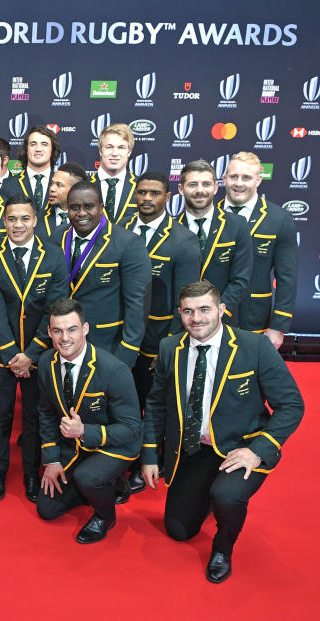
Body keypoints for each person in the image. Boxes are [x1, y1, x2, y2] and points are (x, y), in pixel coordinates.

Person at [141, 280, 303, 583]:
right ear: (180, 313)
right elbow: (156, 405)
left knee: (227, 496)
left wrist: (258, 451)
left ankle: (223, 547)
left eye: (204, 309)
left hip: (240, 448)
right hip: (193, 447)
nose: (196, 318)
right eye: (188, 311)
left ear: (222, 310)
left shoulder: (254, 347)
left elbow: (292, 404)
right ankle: (207, 498)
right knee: (178, 530)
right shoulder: (169, 348)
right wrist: (150, 454)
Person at [0, 195, 69, 501]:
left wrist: (30, 354)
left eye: (25, 218)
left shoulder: (54, 257)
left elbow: (54, 310)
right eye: (12, 219)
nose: (18, 225)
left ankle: (31, 473)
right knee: (0, 415)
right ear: (4, 222)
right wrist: (11, 355)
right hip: (0, 354)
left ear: (36, 220)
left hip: (40, 355)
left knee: (33, 418)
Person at [120, 171, 200, 494]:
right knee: (128, 401)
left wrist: (169, 346)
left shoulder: (183, 240)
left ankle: (152, 459)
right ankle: (128, 454)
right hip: (125, 337)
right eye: (142, 192)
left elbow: (186, 301)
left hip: (159, 340)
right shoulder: (121, 230)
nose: (147, 199)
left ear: (168, 196)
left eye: (155, 193)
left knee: (156, 403)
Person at [36, 299, 141, 543]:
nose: (65, 338)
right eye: (58, 331)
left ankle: (105, 516)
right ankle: (108, 483)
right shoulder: (45, 363)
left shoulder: (114, 369)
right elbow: (46, 413)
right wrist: (51, 460)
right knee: (47, 509)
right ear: (49, 332)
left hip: (114, 445)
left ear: (85, 329)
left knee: (87, 478)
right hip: (74, 447)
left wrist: (84, 431)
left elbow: (133, 429)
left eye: (72, 329)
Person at [61, 181, 151, 369]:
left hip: (107, 346)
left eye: (89, 206)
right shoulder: (56, 237)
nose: (81, 213)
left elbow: (137, 305)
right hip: (62, 343)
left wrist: (126, 355)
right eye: (74, 207)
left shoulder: (128, 243)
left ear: (101, 207)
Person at [220, 152, 298, 348]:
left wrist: (278, 326)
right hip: (211, 317)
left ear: (258, 180)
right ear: (224, 178)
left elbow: (287, 277)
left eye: (246, 177)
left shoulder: (279, 219)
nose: (239, 183)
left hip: (255, 319)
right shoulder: (208, 215)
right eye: (233, 176)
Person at [176, 159, 253, 323]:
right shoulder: (170, 229)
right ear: (181, 188)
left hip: (222, 321)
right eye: (192, 185)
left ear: (216, 187)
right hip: (179, 323)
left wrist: (215, 314)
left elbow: (239, 280)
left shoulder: (237, 226)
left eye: (206, 184)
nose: (200, 190)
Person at [90, 124, 137, 227]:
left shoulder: (140, 187)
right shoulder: (85, 184)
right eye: (109, 147)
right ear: (100, 151)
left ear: (129, 152)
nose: (115, 153)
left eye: (121, 147)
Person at [36, 162, 88, 245]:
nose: (52, 189)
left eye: (59, 185)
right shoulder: (38, 219)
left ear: (76, 189)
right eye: (52, 184)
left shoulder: (91, 220)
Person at [15, 126, 61, 215]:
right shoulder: (7, 185)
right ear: (26, 149)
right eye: (33, 144)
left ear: (52, 149)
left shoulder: (64, 185)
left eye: (44, 144)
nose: (38, 149)